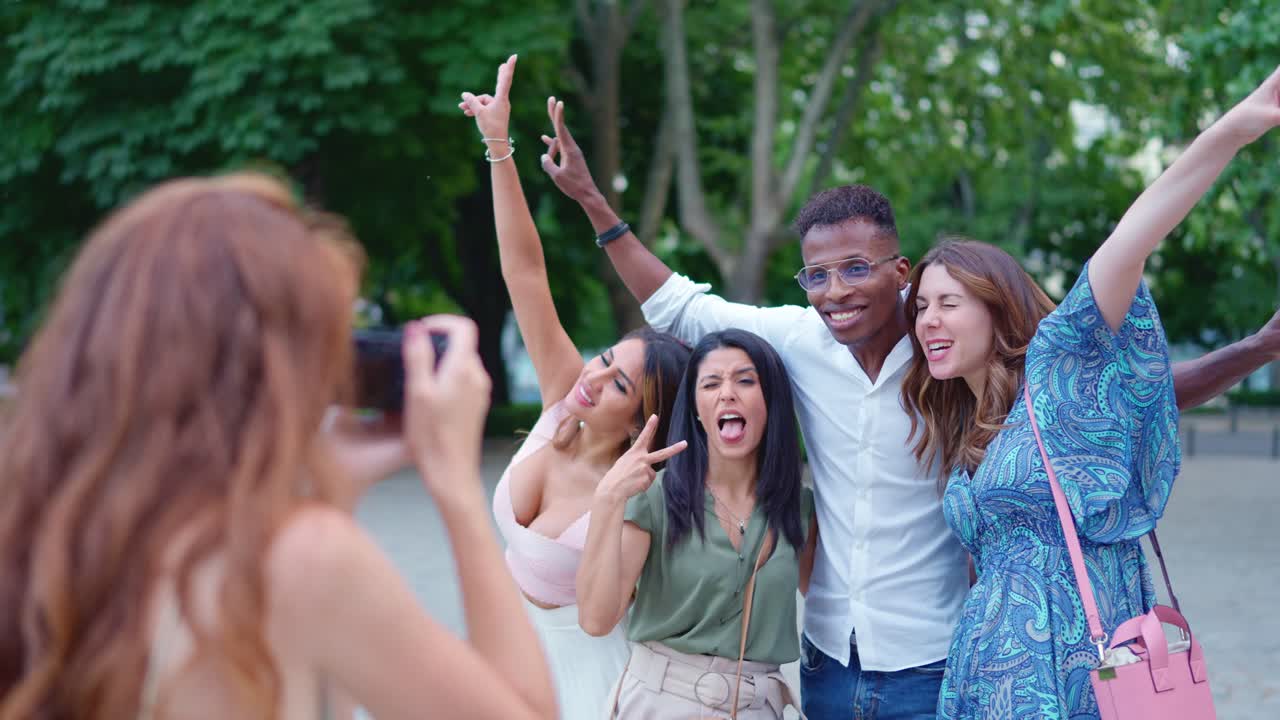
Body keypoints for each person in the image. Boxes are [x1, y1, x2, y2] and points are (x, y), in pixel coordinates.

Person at [534, 90, 1280, 718]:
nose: (836, 291)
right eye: (818, 276)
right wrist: (593, 201)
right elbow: (675, 303)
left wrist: (1255, 347)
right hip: (837, 660)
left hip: (949, 664)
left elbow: (1122, 395)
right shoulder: (807, 342)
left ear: (899, 269)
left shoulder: (974, 368)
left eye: (858, 269)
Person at [0, 174, 558, 720]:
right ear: (276, 372)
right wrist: (456, 488)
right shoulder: (297, 558)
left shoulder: (40, 532)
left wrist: (332, 489)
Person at [902, 66, 1280, 719]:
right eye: (921, 307)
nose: (927, 319)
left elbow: (1126, 246)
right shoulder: (971, 419)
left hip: (1074, 669)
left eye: (949, 303)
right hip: (986, 676)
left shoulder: (1056, 378)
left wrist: (1234, 129)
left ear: (996, 309)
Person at [458, 57, 691, 719]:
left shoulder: (646, 492)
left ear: (645, 415)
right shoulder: (567, 398)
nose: (593, 377)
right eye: (603, 359)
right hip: (503, 658)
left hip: (591, 689)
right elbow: (525, 275)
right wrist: (499, 146)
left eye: (619, 382)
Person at [577, 329, 817, 718]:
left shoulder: (799, 509)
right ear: (696, 408)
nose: (727, 393)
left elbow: (834, 604)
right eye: (711, 383)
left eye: (745, 380)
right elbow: (595, 619)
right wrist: (608, 499)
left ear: (771, 400)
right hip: (661, 702)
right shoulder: (657, 497)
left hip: (759, 706)